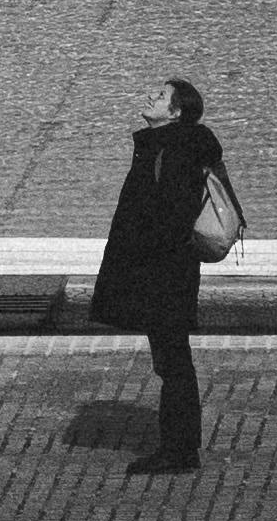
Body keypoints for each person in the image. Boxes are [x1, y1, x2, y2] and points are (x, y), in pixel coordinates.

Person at [84, 77, 243, 473]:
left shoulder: (171, 151)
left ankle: (179, 452)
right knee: (171, 360)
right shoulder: (172, 147)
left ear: (175, 113)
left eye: (161, 96)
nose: (151, 96)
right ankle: (178, 447)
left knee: (173, 362)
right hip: (169, 272)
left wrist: (139, 263)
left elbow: (168, 217)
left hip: (163, 274)